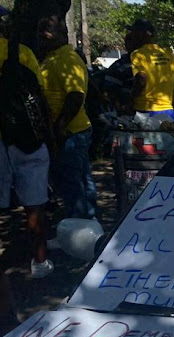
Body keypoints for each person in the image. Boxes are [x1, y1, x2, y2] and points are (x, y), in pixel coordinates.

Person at [0, 8, 53, 278]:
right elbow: (39, 99)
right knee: (35, 207)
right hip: (26, 140)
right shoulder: (22, 53)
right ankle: (40, 263)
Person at [37, 14, 97, 221]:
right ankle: (87, 225)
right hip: (68, 131)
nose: (42, 34)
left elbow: (76, 95)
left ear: (62, 33)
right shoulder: (52, 57)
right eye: (40, 29)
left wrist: (59, 127)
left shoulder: (67, 58)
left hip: (71, 132)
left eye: (47, 28)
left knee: (72, 185)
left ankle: (79, 231)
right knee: (80, 182)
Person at [128, 18, 174, 125]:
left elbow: (142, 79)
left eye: (134, 32)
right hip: (167, 111)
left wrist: (131, 99)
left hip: (145, 110)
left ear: (142, 34)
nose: (132, 36)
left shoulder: (138, 54)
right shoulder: (166, 54)